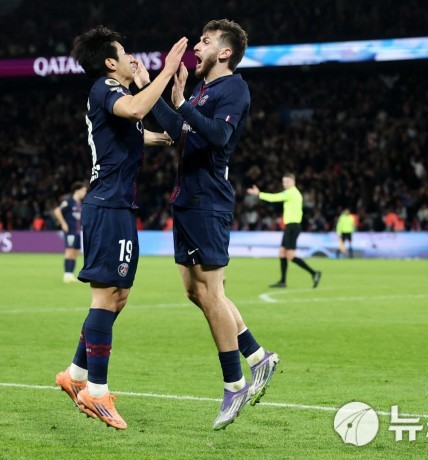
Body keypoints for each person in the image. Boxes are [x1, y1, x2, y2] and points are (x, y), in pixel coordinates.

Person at [140, 19, 279, 430]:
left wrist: (182, 104)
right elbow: (178, 131)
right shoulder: (201, 90)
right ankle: (258, 356)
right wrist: (149, 86)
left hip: (208, 200)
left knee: (212, 293)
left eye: (204, 41)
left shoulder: (233, 88)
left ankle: (234, 384)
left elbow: (218, 136)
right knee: (195, 292)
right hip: (187, 198)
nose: (196, 47)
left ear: (225, 52)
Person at [54, 26, 187, 430]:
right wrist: (165, 73)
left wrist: (158, 134)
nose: (132, 58)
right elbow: (133, 111)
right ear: (110, 62)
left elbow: (135, 130)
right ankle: (96, 392)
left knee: (118, 296)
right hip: (107, 206)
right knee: (105, 296)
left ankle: (75, 375)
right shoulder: (106, 88)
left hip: (119, 206)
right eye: (125, 52)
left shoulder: (117, 95)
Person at [247, 173, 322, 288]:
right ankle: (283, 281)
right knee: (282, 253)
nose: (285, 184)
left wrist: (259, 194)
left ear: (293, 182)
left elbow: (274, 198)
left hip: (293, 227)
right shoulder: (294, 193)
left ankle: (314, 273)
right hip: (290, 226)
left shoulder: (291, 193)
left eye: (287, 181)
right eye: (283, 182)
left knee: (290, 256)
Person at [53, 181, 88, 283]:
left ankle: (71, 274)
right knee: (69, 252)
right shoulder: (69, 201)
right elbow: (57, 211)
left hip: (78, 232)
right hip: (70, 231)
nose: (85, 193)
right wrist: (63, 223)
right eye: (83, 191)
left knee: (75, 253)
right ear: (77, 191)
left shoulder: (81, 204)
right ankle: (66, 274)